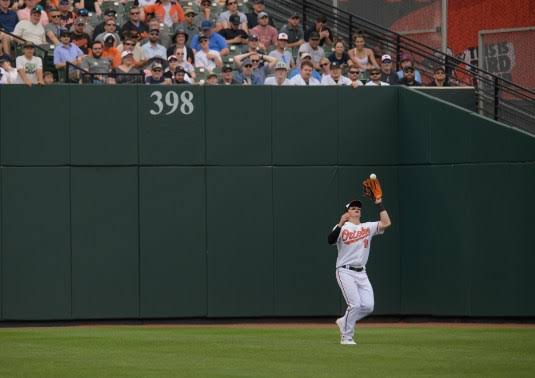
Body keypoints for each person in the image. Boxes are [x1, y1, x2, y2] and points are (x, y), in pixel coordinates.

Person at [328, 183, 391, 345]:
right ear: (347, 212)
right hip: (345, 271)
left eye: (358, 208)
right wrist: (340, 223)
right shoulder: (342, 228)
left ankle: (343, 321)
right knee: (355, 304)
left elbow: (386, 223)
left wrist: (379, 203)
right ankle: (346, 337)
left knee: (368, 306)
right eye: (353, 207)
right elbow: (330, 240)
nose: (356, 209)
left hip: (361, 272)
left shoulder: (367, 227)